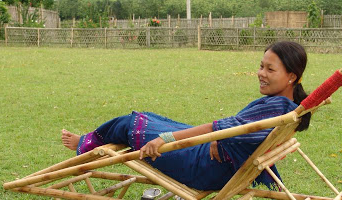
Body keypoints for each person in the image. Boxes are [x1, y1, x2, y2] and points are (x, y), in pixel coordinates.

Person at [62, 41, 311, 191]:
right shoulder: (289, 108)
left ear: (291, 76)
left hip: (203, 167)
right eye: (261, 66)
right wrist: (220, 138)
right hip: (220, 165)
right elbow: (237, 131)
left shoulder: (276, 107)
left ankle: (86, 144)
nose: (261, 73)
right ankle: (89, 140)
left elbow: (224, 126)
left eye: (270, 69)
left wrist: (165, 139)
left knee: (131, 124)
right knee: (149, 118)